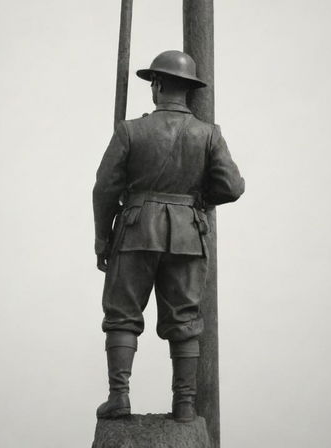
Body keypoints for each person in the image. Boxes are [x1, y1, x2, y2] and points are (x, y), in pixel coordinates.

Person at [93, 50, 244, 422]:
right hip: (187, 235)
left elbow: (104, 189)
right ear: (189, 90)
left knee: (123, 315)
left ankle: (119, 397)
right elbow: (232, 186)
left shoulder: (130, 130)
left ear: (158, 86)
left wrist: (102, 238)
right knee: (185, 318)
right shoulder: (208, 134)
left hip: (134, 231)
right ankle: (185, 404)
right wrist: (195, 203)